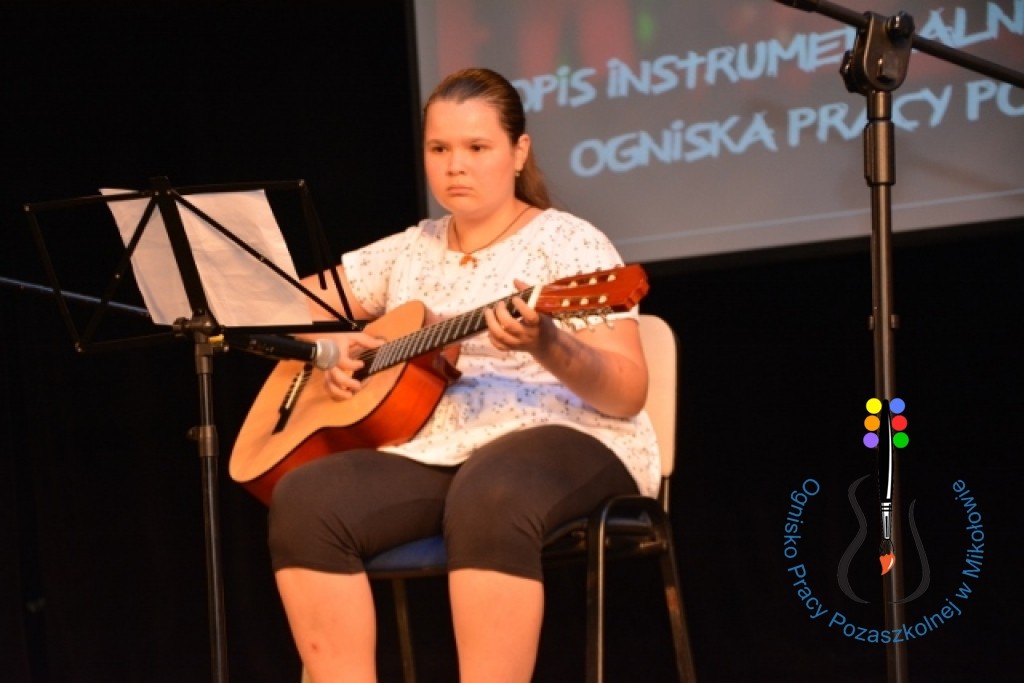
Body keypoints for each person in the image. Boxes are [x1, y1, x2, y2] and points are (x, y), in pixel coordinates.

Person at [268, 67, 660, 683]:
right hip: (435, 449)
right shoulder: (410, 248)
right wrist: (333, 351)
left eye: (477, 147)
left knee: (492, 489)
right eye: (439, 148)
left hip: (570, 438)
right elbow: (282, 306)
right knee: (306, 499)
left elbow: (628, 391)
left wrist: (549, 344)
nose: (456, 166)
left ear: (519, 152)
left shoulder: (569, 243)